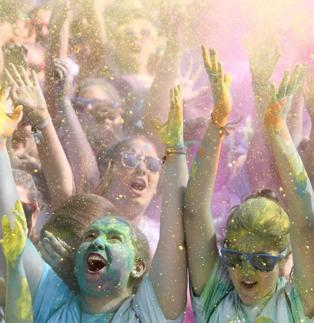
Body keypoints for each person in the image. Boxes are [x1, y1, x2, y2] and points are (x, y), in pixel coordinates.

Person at [0, 83, 188, 322]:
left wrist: (176, 151)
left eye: (114, 238)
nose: (97, 241)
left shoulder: (149, 312)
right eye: (89, 236)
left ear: (139, 266)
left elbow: (175, 231)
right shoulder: (53, 299)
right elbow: (10, 224)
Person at [185, 47, 314, 322]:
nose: (245, 270)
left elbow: (307, 222)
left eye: (262, 260)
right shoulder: (215, 299)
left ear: (286, 258)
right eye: (235, 257)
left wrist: (279, 132)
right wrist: (217, 123)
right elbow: (193, 212)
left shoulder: (298, 304)